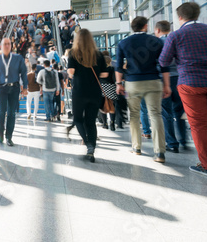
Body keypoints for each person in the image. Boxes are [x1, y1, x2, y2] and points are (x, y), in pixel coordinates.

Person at [159, 2, 207, 177]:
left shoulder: (176, 35)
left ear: (180, 17)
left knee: (198, 125)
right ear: (198, 14)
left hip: (190, 83)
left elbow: (164, 61)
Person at [116, 16, 170, 163]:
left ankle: (136, 147)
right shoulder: (157, 41)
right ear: (145, 26)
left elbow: (119, 66)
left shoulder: (123, 43)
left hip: (133, 83)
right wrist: (166, 85)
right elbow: (164, 65)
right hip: (153, 81)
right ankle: (159, 153)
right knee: (155, 114)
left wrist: (118, 83)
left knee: (134, 114)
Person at [67, 29, 109, 162]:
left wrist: (73, 72)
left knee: (78, 119)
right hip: (95, 92)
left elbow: (71, 72)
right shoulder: (98, 55)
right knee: (91, 122)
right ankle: (91, 151)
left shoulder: (74, 53)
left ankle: (88, 143)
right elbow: (104, 74)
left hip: (79, 92)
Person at [0, 38, 28, 146]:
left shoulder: (18, 58)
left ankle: (9, 137)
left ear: (11, 46)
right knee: (1, 112)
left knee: (11, 113)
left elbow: (24, 72)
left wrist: (25, 87)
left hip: (14, 88)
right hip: (1, 88)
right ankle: (1, 134)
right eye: (4, 44)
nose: (6, 46)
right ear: (1, 46)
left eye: (8, 44)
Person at [154, 20, 187, 153]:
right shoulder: (177, 39)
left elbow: (160, 63)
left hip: (163, 80)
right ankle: (184, 140)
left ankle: (172, 143)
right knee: (179, 111)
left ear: (157, 30)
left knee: (166, 112)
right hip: (179, 78)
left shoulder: (157, 43)